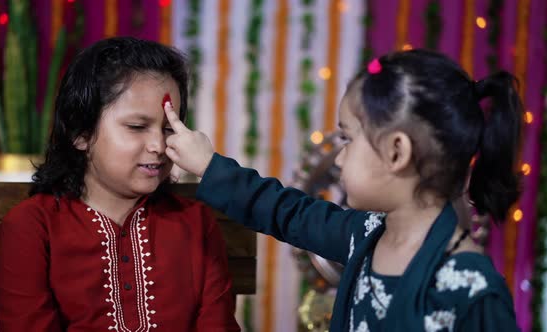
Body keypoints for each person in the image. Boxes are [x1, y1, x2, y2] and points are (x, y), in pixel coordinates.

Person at [163, 49, 521, 331]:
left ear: (397, 152)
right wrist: (209, 166)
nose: (339, 158)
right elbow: (284, 211)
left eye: (348, 138)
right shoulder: (363, 235)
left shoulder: (472, 290)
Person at [0, 37, 240, 332]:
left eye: (168, 129)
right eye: (137, 127)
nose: (159, 145)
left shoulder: (196, 223)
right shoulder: (32, 227)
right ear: (81, 133)